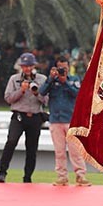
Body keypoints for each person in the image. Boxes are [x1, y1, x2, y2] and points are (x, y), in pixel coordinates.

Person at [0, 52, 47, 183]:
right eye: (24, 66)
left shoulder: (42, 79)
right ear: (21, 66)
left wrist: (37, 93)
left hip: (35, 117)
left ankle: (27, 177)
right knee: (11, 142)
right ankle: (2, 172)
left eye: (29, 66)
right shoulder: (14, 79)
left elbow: (46, 100)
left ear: (34, 65)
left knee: (32, 148)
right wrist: (21, 91)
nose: (27, 69)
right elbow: (8, 98)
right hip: (19, 116)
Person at [39, 55, 90, 186]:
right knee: (59, 151)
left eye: (64, 68)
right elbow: (42, 92)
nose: (62, 71)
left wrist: (64, 82)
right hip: (56, 119)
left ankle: (80, 175)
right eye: (60, 68)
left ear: (68, 67)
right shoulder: (51, 81)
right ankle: (62, 176)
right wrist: (51, 78)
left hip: (71, 120)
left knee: (75, 151)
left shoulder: (74, 80)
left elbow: (78, 94)